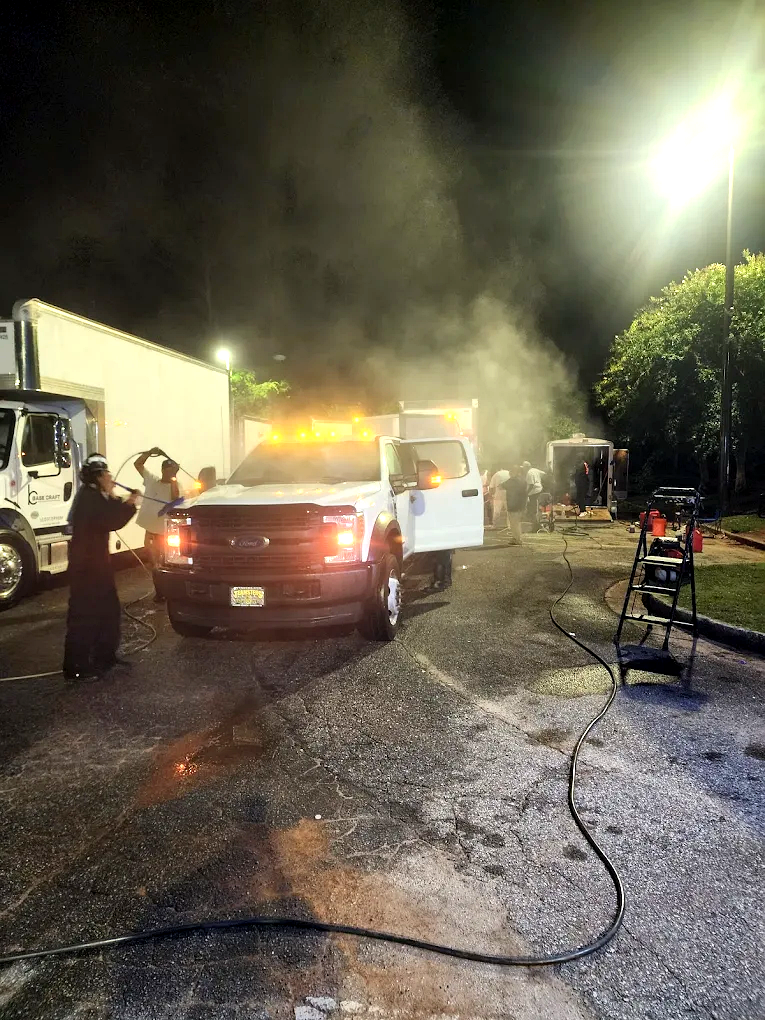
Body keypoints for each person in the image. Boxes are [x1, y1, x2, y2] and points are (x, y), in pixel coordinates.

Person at [63, 454, 138, 681]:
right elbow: (111, 520)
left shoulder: (95, 495)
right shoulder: (89, 499)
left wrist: (119, 497)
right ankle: (76, 668)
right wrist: (130, 504)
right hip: (86, 568)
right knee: (84, 616)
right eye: (107, 474)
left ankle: (105, 657)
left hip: (98, 566)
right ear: (98, 477)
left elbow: (110, 508)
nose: (111, 477)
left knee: (108, 611)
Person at [134, 448, 180, 601]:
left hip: (164, 533)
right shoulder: (151, 480)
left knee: (164, 563)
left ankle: (165, 592)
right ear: (162, 470)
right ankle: (159, 593)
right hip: (150, 531)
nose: (168, 473)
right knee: (154, 563)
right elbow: (138, 464)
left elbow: (175, 498)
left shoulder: (174, 485)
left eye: (171, 470)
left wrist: (174, 478)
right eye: (166, 470)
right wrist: (149, 453)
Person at [503, 465, 528, 546]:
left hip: (513, 505)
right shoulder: (523, 481)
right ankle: (516, 538)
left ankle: (517, 539)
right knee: (517, 523)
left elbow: (501, 486)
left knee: (514, 523)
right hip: (521, 504)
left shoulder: (511, 481)